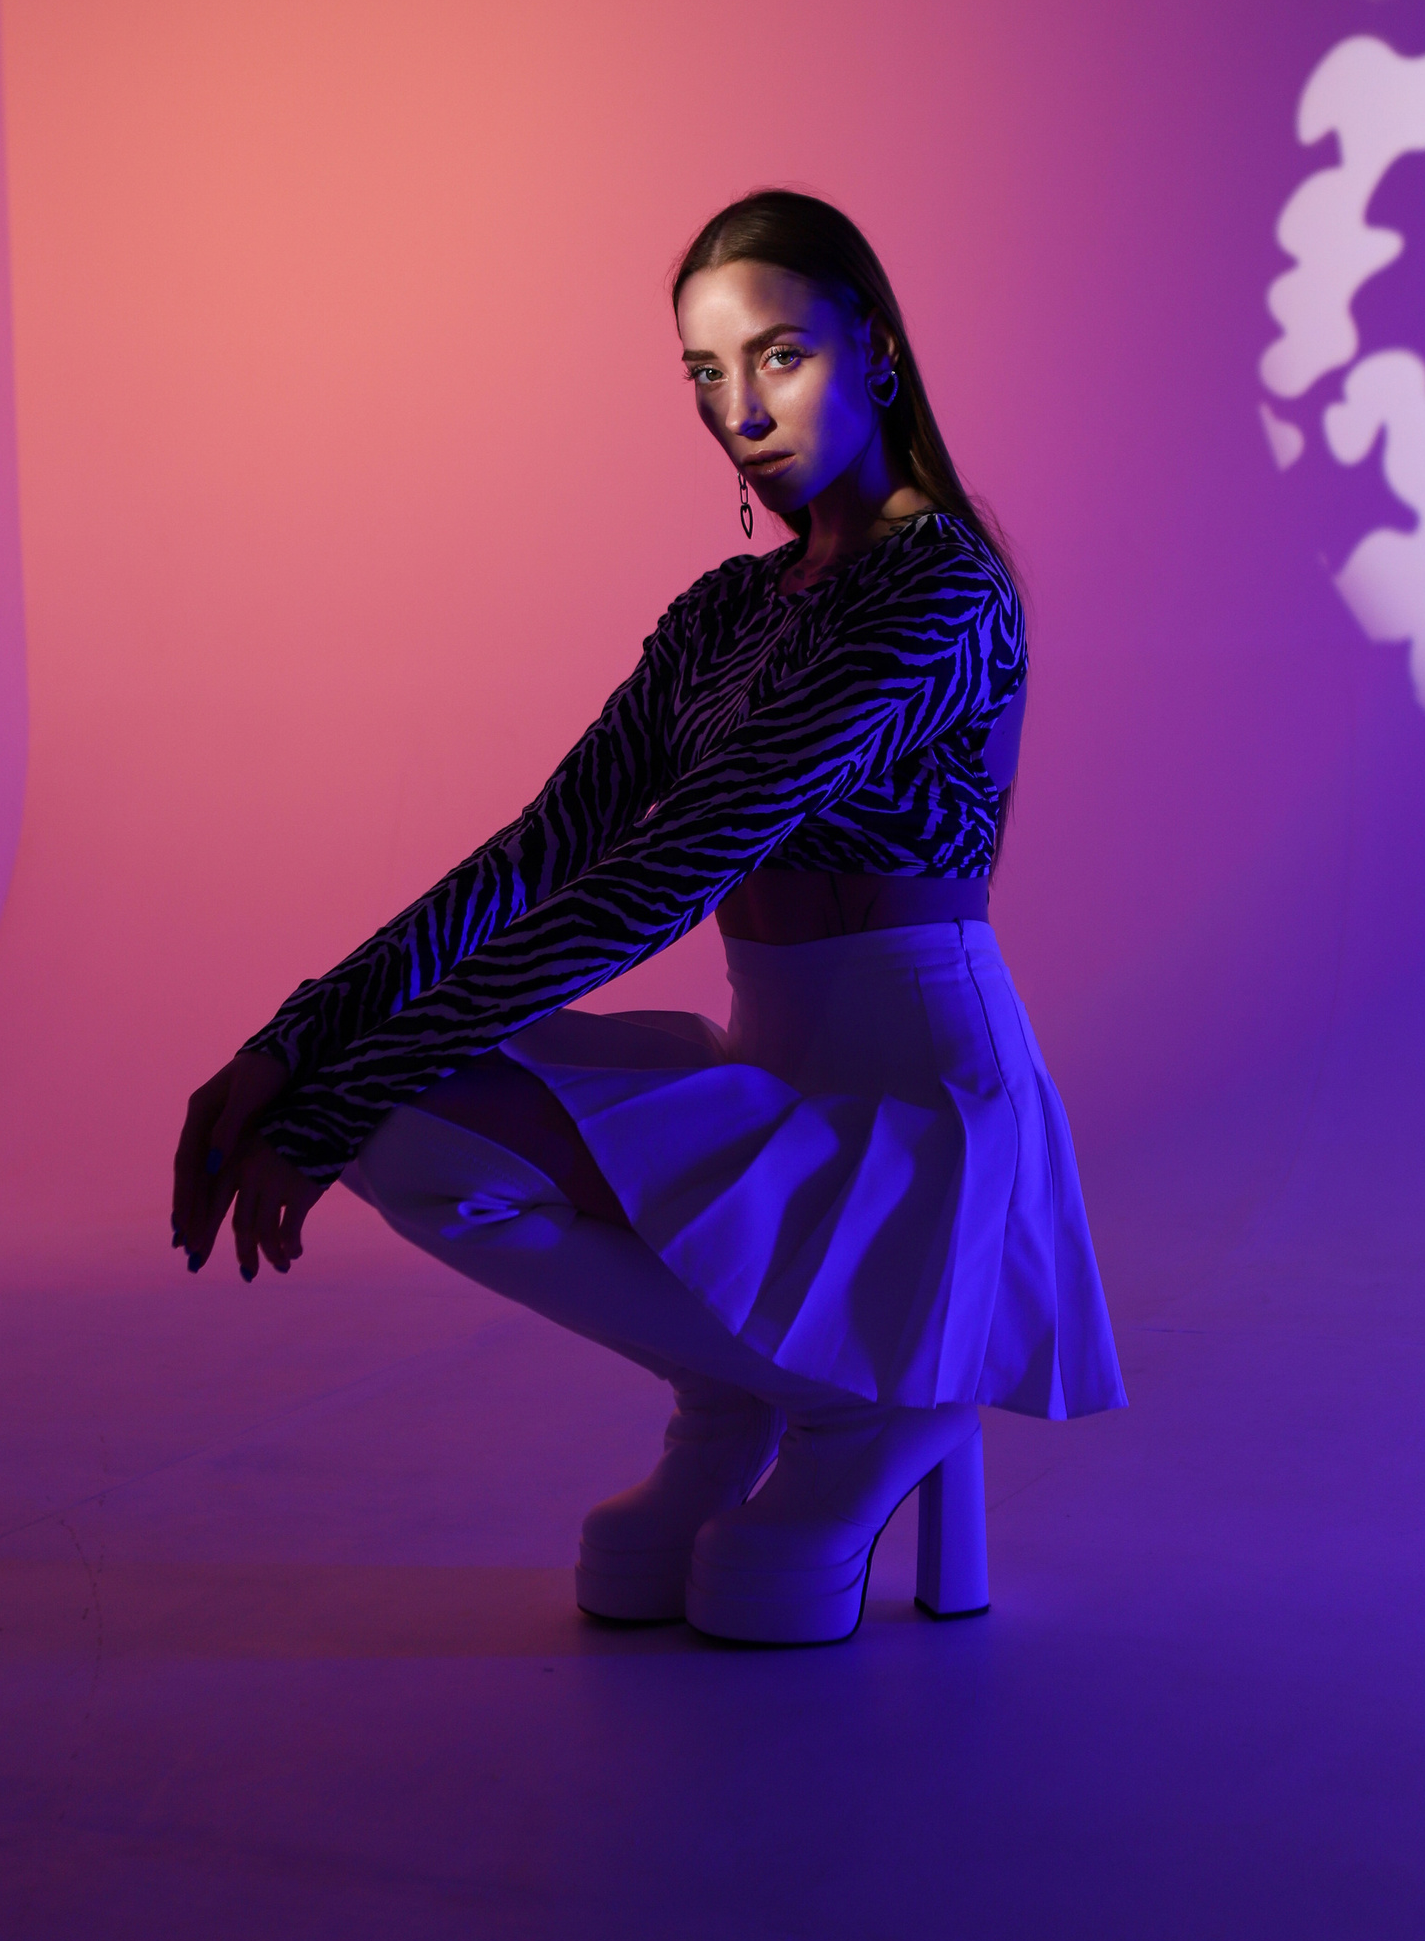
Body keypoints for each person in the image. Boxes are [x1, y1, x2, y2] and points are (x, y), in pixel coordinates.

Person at [171, 189, 1123, 1644]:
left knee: (374, 1098)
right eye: (705, 372)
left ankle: (878, 1406)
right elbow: (546, 850)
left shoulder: (944, 593)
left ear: (875, 349)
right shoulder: (723, 613)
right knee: (404, 1119)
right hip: (773, 1067)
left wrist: (334, 1083)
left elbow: (679, 863)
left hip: (921, 1115)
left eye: (780, 355)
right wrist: (299, 1044)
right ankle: (745, 1394)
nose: (741, 410)